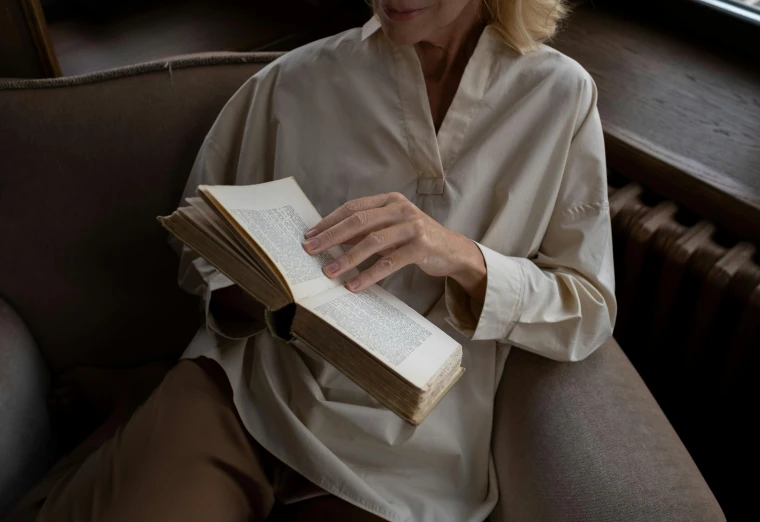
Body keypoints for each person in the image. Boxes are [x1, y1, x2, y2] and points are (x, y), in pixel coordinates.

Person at [6, 0, 616, 521]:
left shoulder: (558, 98)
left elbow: (586, 309)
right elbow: (200, 249)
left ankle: (128, 402)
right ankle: (148, 404)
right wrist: (250, 291)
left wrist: (459, 255)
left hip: (411, 453)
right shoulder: (292, 83)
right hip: (247, 394)